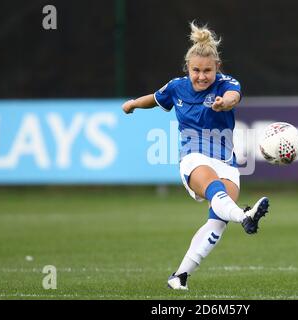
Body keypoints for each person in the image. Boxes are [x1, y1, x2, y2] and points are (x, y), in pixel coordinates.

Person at [122, 22, 270, 290]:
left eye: (207, 71)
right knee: (215, 191)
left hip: (227, 162)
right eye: (196, 71)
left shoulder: (227, 83)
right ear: (188, 69)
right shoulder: (177, 87)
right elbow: (155, 99)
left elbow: (233, 97)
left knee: (217, 222)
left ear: (217, 68)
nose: (202, 76)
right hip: (194, 156)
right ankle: (245, 216)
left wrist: (224, 103)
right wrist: (133, 104)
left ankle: (179, 277)